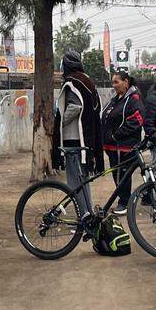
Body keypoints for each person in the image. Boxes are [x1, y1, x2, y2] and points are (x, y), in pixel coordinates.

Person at [51, 51, 103, 218]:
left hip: (74, 139)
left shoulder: (72, 82)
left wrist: (61, 122)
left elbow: (74, 107)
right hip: (87, 140)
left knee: (75, 183)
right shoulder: (87, 81)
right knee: (83, 180)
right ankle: (87, 214)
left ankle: (84, 216)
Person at [101, 68, 147, 215]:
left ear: (125, 82)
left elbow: (137, 119)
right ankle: (127, 199)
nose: (113, 85)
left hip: (125, 146)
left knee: (123, 175)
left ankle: (124, 203)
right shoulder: (117, 98)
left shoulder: (134, 99)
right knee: (118, 174)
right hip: (112, 147)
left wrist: (115, 136)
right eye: (112, 82)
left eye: (116, 82)